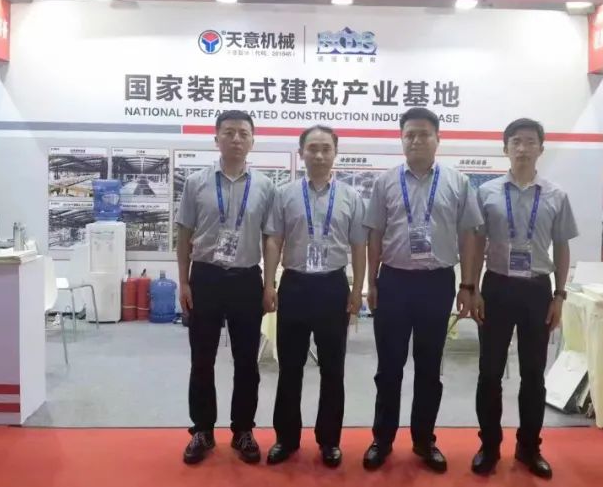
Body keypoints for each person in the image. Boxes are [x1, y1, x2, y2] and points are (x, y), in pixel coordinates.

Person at [362, 107, 482, 473]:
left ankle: (424, 440)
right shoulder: (385, 182)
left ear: (437, 139)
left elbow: (469, 235)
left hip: (437, 283)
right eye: (410, 134)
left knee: (429, 367)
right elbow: (375, 235)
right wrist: (372, 282)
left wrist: (468, 284)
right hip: (394, 282)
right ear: (401, 139)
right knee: (389, 367)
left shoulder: (458, 182)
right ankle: (382, 439)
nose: (416, 140)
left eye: (424, 134)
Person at [467, 118, 578, 480]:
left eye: (530, 141)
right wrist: (473, 288)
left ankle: (529, 448)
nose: (523, 148)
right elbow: (477, 244)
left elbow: (562, 247)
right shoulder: (487, 193)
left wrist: (559, 295)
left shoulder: (556, 195)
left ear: (541, 149)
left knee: (533, 374)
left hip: (537, 290)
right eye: (516, 141)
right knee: (489, 372)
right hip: (496, 288)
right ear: (505, 148)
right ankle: (489, 446)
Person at [176, 110, 276, 465]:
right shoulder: (196, 183)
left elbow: (270, 239)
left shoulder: (265, 186)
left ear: (252, 141)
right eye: (229, 132)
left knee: (247, 361)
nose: (236, 139)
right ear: (216, 138)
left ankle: (243, 430)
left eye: (243, 133)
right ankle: (202, 430)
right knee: (201, 359)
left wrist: (269, 284)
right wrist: (183, 281)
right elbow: (184, 234)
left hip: (246, 280)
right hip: (205, 277)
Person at [263, 125, 367, 469]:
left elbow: (359, 246)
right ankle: (286, 438)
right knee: (290, 368)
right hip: (294, 285)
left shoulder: (351, 197)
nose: (319, 155)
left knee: (333, 369)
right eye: (313, 148)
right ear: (301, 153)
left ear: (335, 153)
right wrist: (269, 283)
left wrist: (357, 289)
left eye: (326, 148)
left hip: (332, 287)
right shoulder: (285, 194)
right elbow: (274, 240)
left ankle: (329, 441)